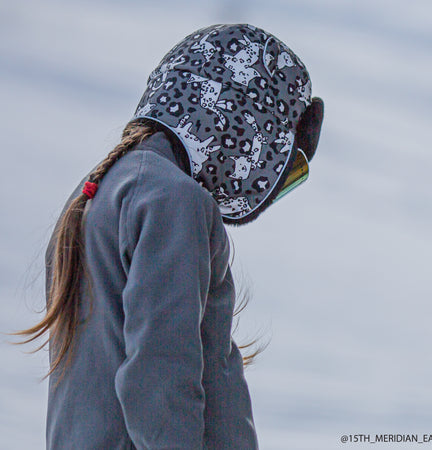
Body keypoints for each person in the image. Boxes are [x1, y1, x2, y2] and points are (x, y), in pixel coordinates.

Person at [17, 23, 323, 449]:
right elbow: (158, 376)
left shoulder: (102, 191)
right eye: (284, 164)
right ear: (246, 122)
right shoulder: (171, 199)